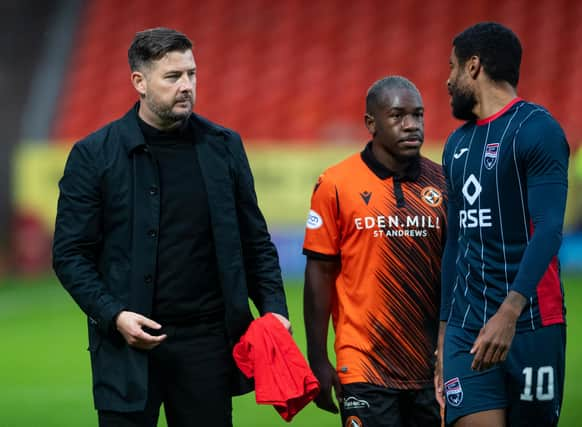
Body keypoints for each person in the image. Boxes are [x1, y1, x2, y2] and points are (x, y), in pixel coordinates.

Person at [52, 27, 290, 427]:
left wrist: (274, 309)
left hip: (207, 345)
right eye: (173, 76)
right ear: (139, 82)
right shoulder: (94, 154)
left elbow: (254, 240)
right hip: (127, 345)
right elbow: (70, 254)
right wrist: (113, 316)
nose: (187, 86)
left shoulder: (224, 146)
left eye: (191, 74)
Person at [436, 22, 569, 427]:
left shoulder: (537, 129)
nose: (447, 80)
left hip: (529, 324)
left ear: (473, 66)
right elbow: (455, 243)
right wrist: (443, 335)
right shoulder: (456, 145)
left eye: (452, 67)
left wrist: (508, 313)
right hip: (466, 328)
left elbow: (548, 229)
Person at [303, 75, 446, 427]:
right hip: (364, 362)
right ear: (371, 123)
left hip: (431, 365)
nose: (412, 126)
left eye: (418, 115)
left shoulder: (443, 183)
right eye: (398, 116)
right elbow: (319, 273)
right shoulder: (336, 184)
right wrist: (318, 358)